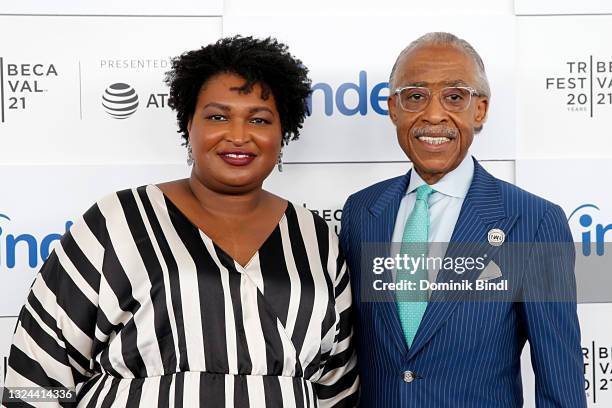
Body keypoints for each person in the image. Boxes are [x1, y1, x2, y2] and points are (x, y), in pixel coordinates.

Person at [2, 36, 358, 407]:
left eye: (259, 119)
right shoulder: (118, 221)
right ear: (189, 124)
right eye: (218, 116)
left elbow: (337, 386)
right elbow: (36, 373)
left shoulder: (316, 238)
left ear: (283, 133)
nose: (238, 135)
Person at [339, 32, 586, 407]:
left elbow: (560, 384)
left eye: (455, 97)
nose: (434, 114)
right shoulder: (362, 212)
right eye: (415, 96)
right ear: (393, 108)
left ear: (480, 110)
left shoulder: (534, 221)